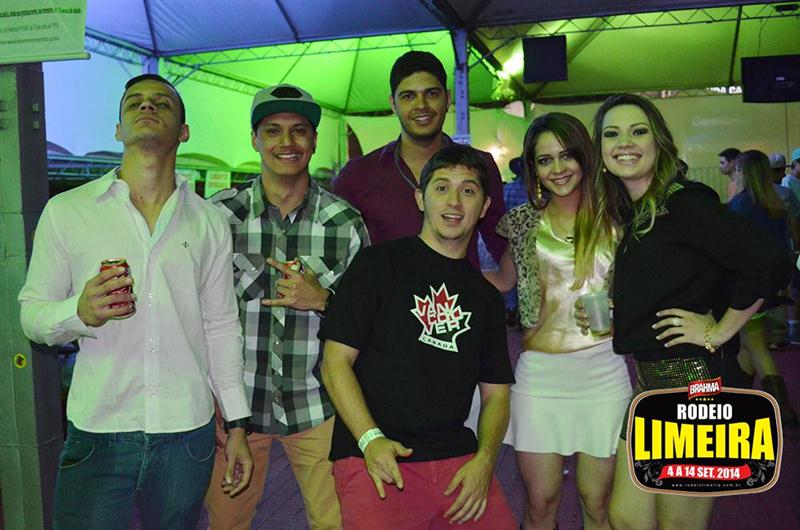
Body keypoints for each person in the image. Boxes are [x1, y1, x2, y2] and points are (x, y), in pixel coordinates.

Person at [18, 74, 253, 529]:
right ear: (118, 129)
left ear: (184, 132)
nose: (147, 106)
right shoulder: (68, 211)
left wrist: (237, 423)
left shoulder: (209, 222)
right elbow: (32, 314)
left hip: (186, 431)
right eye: (135, 102)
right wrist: (77, 312)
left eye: (162, 102)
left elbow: (222, 326)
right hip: (99, 429)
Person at [593, 94, 791, 530]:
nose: (624, 142)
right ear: (601, 151)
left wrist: (720, 330)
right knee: (625, 518)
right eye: (612, 134)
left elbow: (768, 261)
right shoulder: (641, 209)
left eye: (638, 131)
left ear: (659, 142)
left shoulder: (683, 201)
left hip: (693, 386)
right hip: (649, 384)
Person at [320, 144, 517, 530]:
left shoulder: (486, 298)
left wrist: (484, 461)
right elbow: (334, 363)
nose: (454, 202)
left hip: (457, 459)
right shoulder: (378, 264)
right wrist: (370, 439)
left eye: (468, 191)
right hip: (375, 455)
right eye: (441, 188)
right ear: (420, 198)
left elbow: (497, 395)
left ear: (484, 206)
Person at [206, 84, 369, 529]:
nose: (287, 142)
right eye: (273, 130)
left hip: (317, 406)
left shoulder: (344, 223)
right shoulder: (218, 216)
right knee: (226, 523)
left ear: (313, 141)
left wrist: (324, 300)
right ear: (254, 139)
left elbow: (368, 323)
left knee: (337, 523)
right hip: (236, 410)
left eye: (299, 130)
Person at [485, 113, 631, 530]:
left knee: (597, 502)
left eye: (566, 156)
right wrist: (441, 266)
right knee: (541, 503)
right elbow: (503, 281)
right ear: (533, 168)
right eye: (545, 160)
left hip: (604, 374)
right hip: (540, 377)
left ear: (584, 156)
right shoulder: (523, 222)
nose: (558, 169)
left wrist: (621, 311)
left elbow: (646, 291)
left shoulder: (619, 218)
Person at [333, 50, 507, 270]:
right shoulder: (358, 176)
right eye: (408, 96)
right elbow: (339, 257)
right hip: (386, 292)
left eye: (431, 94)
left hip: (460, 292)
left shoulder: (480, 166)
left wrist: (496, 283)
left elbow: (501, 243)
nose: (421, 105)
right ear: (393, 104)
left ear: (448, 98)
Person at [728, 150, 799, 428]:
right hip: (770, 285)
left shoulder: (739, 206)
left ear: (742, 172)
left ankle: (784, 411)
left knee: (755, 344)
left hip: (748, 286)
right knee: (749, 344)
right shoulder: (775, 204)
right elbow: (784, 247)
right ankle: (742, 399)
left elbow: (733, 252)